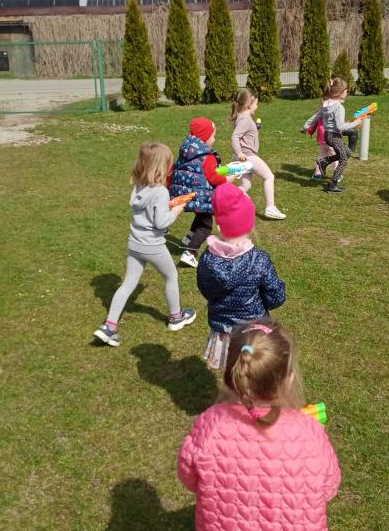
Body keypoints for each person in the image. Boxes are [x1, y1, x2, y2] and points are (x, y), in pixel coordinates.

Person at [178, 319, 341, 531]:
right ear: (288, 377)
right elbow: (329, 485)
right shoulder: (308, 432)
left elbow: (189, 475)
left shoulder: (212, 424)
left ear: (232, 375)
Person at [93, 142, 196, 347]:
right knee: (171, 276)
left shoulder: (139, 186)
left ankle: (109, 327)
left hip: (135, 244)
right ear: (162, 167)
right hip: (153, 245)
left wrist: (167, 206)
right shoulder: (161, 192)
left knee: (127, 284)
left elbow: (149, 210)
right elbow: (161, 223)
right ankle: (176, 317)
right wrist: (176, 211)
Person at [196, 183, 286, 370]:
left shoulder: (206, 259)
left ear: (220, 226)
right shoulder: (259, 259)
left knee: (232, 373)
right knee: (254, 374)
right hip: (253, 334)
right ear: (250, 225)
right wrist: (265, 301)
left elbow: (205, 289)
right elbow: (276, 296)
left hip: (223, 331)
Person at [169, 117, 232, 269]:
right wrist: (227, 179)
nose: (214, 139)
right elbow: (213, 177)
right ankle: (190, 252)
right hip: (200, 194)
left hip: (185, 192)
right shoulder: (207, 155)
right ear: (205, 137)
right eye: (213, 136)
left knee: (201, 216)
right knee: (206, 226)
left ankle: (189, 238)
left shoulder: (187, 150)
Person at [231, 89, 286, 219]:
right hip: (248, 156)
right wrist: (239, 152)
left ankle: (231, 196)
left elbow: (246, 136)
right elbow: (235, 136)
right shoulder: (245, 119)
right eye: (256, 103)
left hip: (245, 156)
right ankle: (270, 208)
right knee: (269, 176)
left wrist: (256, 129)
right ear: (249, 104)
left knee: (246, 185)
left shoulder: (242, 117)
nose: (257, 106)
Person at [301, 79, 361, 193]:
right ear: (339, 92)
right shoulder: (339, 107)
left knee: (345, 153)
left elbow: (315, 117)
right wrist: (356, 123)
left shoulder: (326, 104)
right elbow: (340, 127)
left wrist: (305, 126)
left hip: (327, 135)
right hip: (335, 136)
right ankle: (333, 184)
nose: (347, 92)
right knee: (344, 159)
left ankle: (324, 161)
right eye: (346, 90)